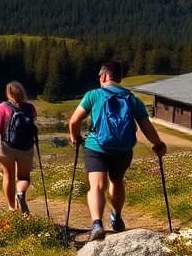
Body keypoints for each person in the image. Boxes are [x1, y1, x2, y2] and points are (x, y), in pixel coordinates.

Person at [68, 60, 167, 239]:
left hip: (96, 146)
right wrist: (158, 145)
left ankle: (97, 224)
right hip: (123, 149)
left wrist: (75, 137)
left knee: (96, 185)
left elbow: (74, 121)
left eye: (100, 76)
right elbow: (147, 127)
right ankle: (117, 216)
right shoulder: (133, 99)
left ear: (105, 76)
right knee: (117, 181)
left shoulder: (93, 95)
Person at [0, 81, 39, 214]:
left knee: (8, 175)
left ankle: (12, 208)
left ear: (8, 93)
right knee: (24, 177)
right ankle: (20, 193)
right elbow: (33, 123)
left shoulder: (2, 106)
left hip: (6, 146)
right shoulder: (30, 107)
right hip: (26, 147)